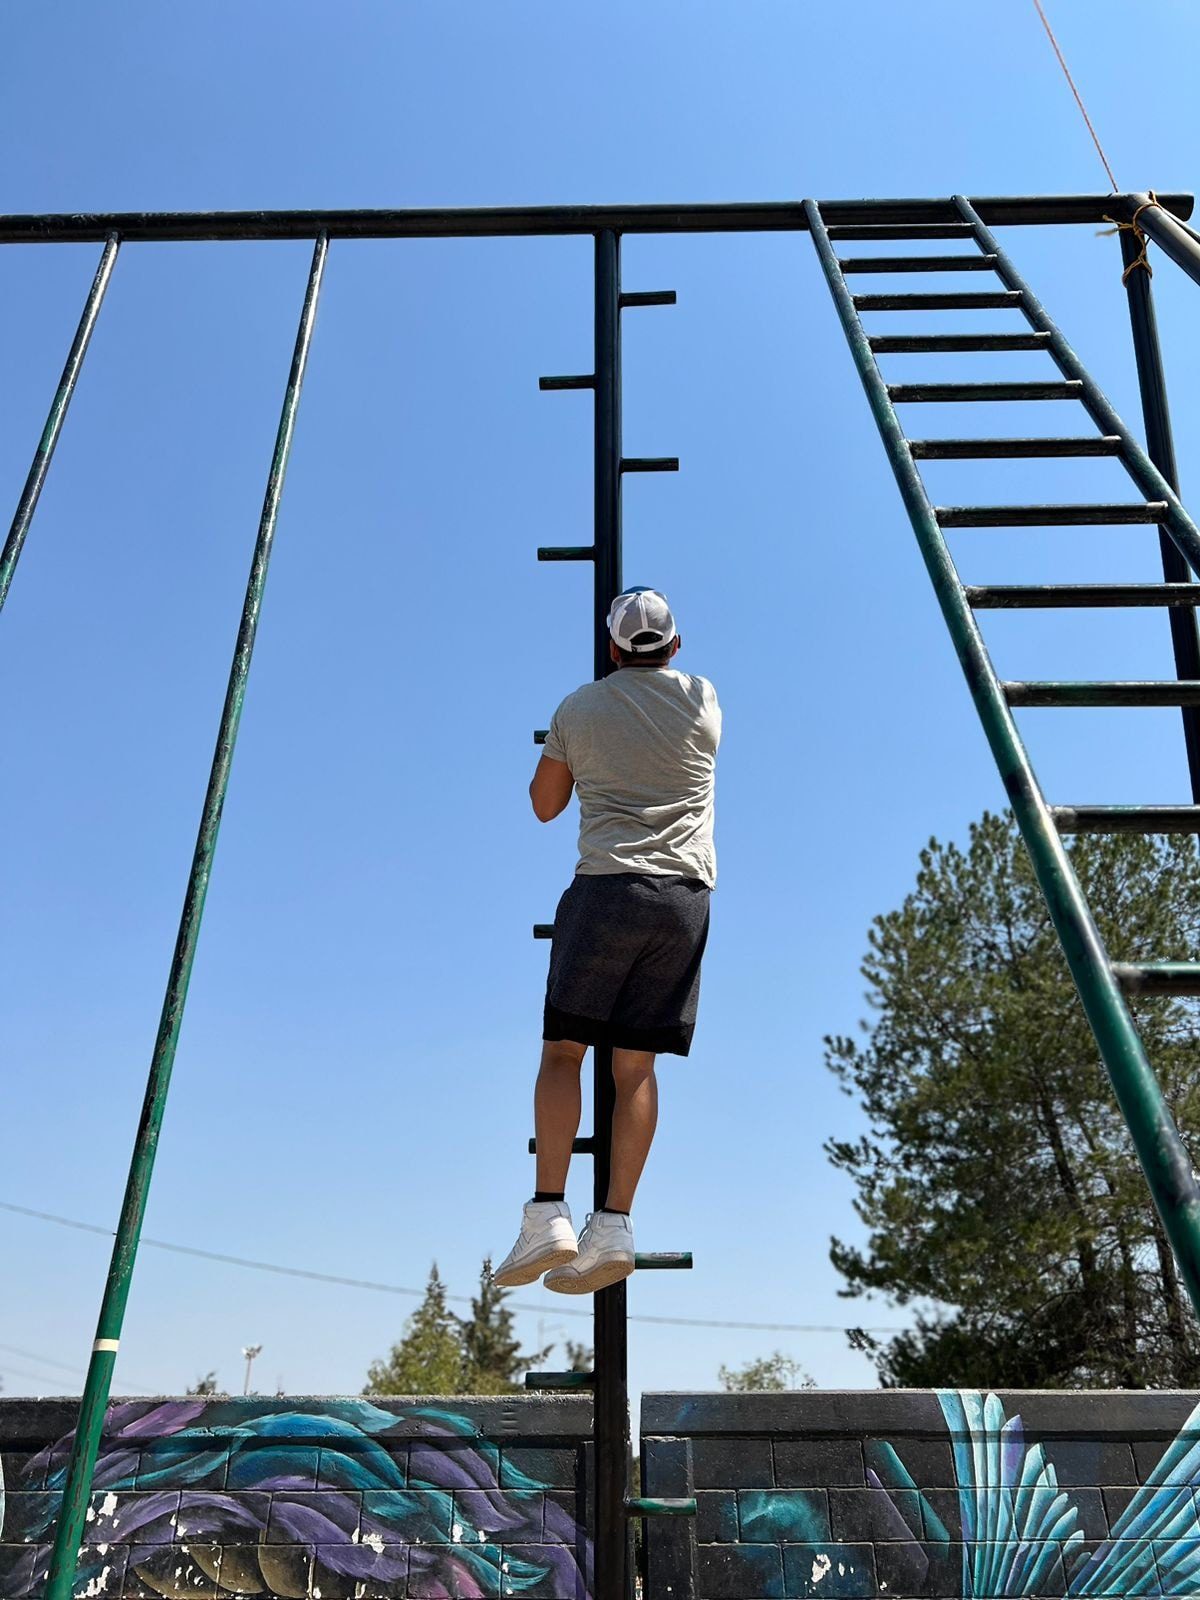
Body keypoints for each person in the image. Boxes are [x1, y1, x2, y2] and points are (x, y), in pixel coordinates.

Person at [493, 587, 721, 1295]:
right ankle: (614, 1224)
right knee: (637, 1072)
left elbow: (543, 806)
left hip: (606, 889)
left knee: (565, 1053)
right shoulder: (704, 700)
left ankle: (548, 1214)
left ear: (613, 647)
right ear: (676, 646)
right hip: (684, 899)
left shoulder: (578, 707)